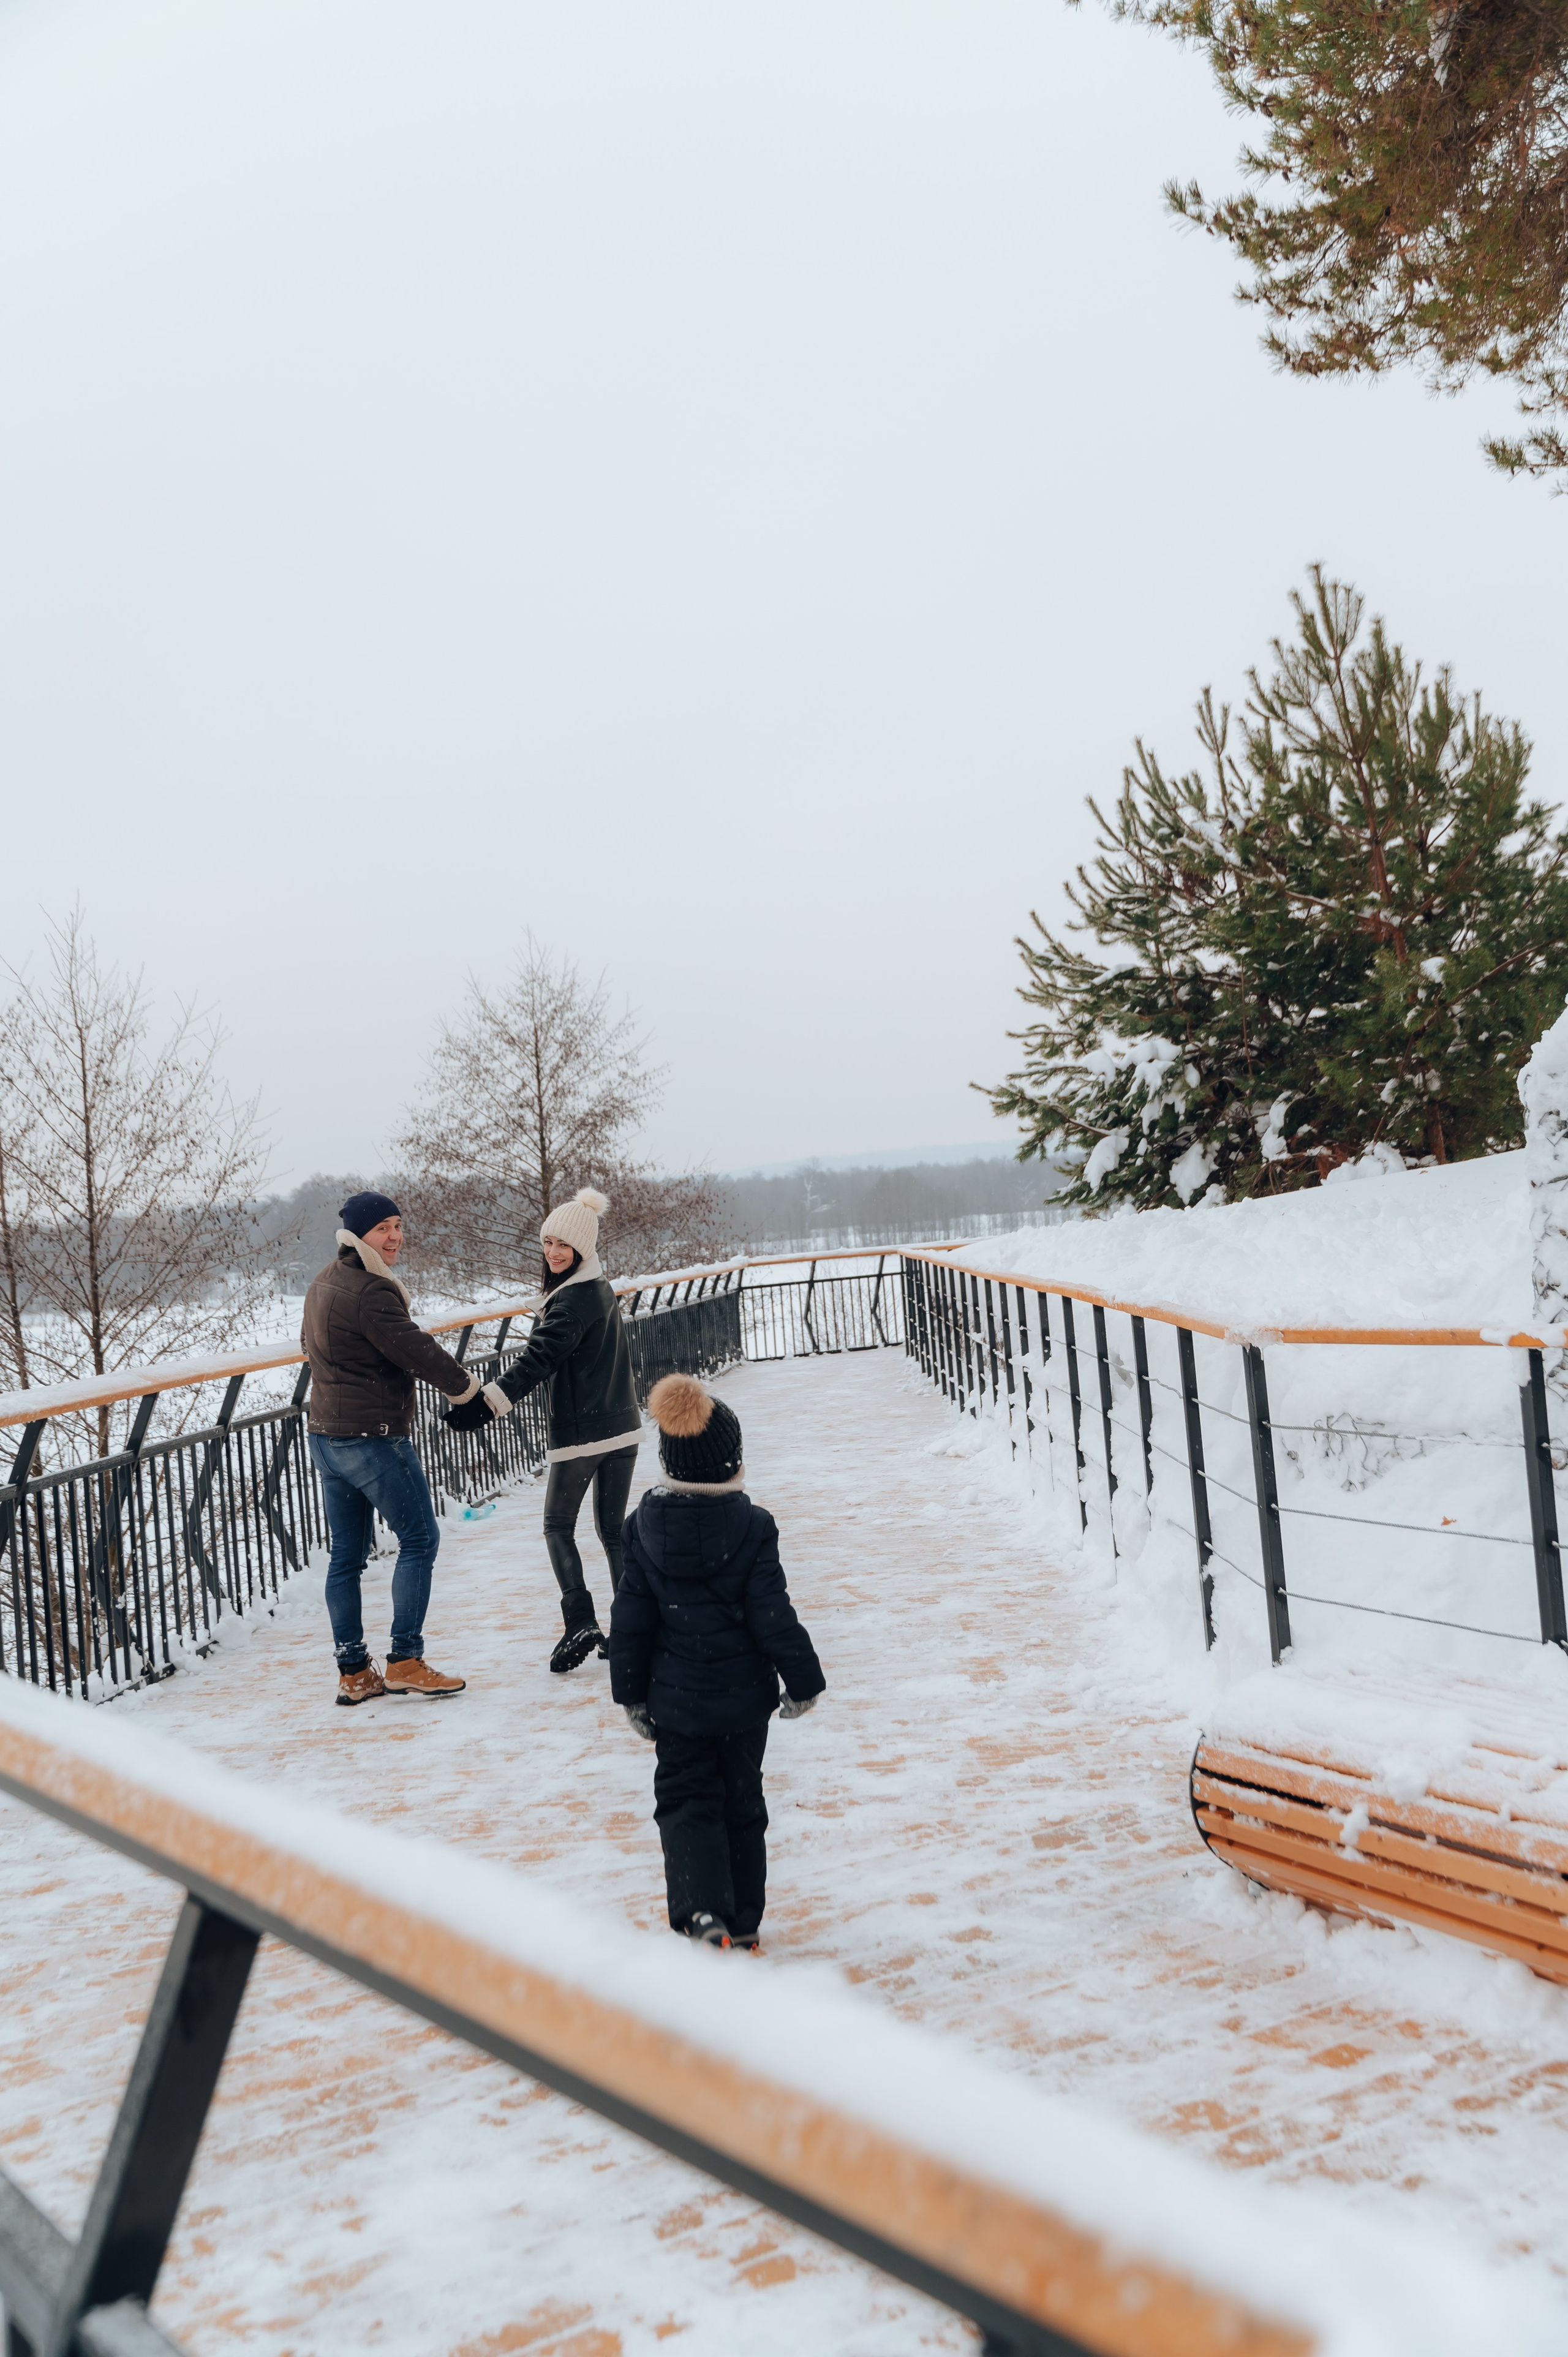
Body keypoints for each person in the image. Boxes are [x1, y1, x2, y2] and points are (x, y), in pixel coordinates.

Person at [607, 1373, 825, 1951]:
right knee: (742, 1803)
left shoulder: (641, 1530)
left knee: (684, 1802)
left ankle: (703, 1911)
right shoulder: (753, 1528)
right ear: (732, 1464)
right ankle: (746, 1919)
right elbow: (772, 1613)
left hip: (674, 1704)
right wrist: (803, 1681)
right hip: (743, 1704)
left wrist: (629, 1692)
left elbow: (630, 1618)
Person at [442, 1187, 643, 1673]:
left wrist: (487, 1404)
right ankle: (635, 1629)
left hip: (582, 1435)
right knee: (613, 1532)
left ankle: (580, 1622)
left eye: (563, 1245)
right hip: (622, 1429)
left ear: (583, 1250)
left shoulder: (571, 1301)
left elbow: (538, 1360)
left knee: (558, 1526)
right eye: (548, 1242)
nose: (553, 1253)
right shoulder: (599, 1289)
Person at [302, 1190, 486, 1705]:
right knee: (421, 1539)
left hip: (325, 1435)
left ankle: (355, 1673)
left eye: (399, 1226)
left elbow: (311, 1348)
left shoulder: (323, 1283)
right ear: (358, 1234)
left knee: (346, 1557)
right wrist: (470, 1393)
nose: (395, 1237)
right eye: (384, 1228)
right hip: (372, 1438)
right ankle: (405, 1659)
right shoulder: (370, 1291)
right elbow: (416, 1350)